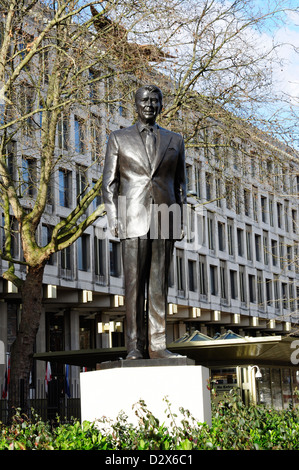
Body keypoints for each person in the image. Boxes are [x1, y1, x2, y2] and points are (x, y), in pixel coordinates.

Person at [102, 84, 186, 359]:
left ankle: (159, 346)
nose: (149, 105)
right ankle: (135, 348)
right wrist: (114, 219)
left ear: (161, 105)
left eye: (154, 100)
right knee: (134, 287)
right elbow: (109, 184)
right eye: (144, 100)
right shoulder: (118, 138)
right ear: (135, 105)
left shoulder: (175, 140)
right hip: (132, 218)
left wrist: (181, 219)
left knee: (159, 285)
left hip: (166, 217)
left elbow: (181, 185)